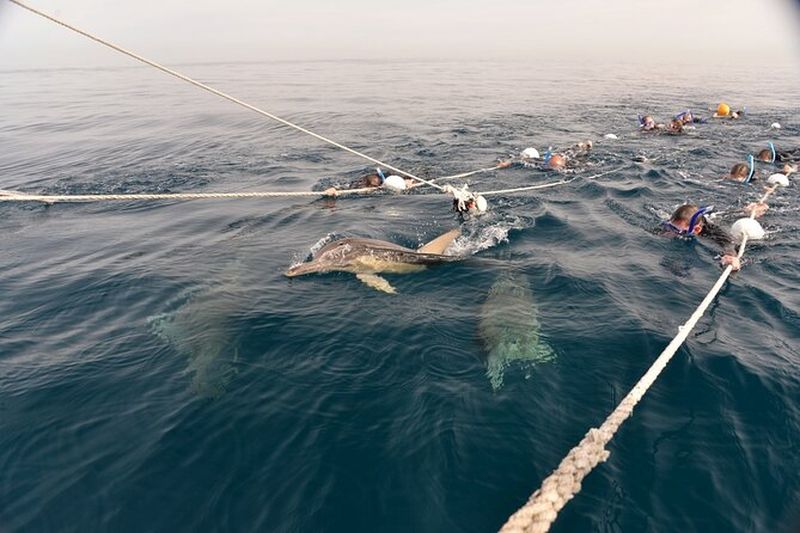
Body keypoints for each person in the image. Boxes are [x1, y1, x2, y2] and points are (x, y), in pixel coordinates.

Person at [661, 203, 767, 271]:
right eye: (670, 226)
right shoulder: (670, 226)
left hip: (719, 225)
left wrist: (730, 256)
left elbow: (728, 243)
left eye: (677, 231)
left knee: (724, 219)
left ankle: (746, 211)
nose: (670, 232)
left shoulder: (714, 232)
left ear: (697, 230)